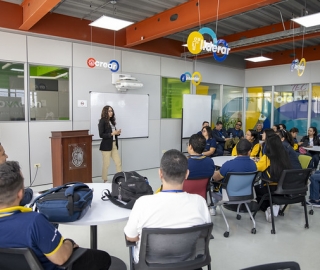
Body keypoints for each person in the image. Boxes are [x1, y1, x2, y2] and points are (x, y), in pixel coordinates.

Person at [0, 161, 111, 270]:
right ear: (20, 194)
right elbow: (61, 258)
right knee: (103, 258)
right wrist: (69, 242)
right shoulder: (34, 222)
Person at [124, 149, 211, 264]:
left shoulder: (142, 203)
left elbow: (131, 237)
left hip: (150, 265)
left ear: (160, 173)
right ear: (187, 174)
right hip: (188, 263)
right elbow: (204, 236)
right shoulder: (200, 202)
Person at [254, 134, 292, 222]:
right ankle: (276, 205)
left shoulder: (267, 157)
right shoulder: (285, 156)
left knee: (254, 189)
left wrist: (257, 161)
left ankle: (268, 208)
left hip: (270, 187)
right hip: (284, 188)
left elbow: (257, 167)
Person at [98, 105, 122, 182]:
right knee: (106, 164)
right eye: (109, 111)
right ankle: (105, 180)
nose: (111, 112)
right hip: (106, 146)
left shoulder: (112, 122)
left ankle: (120, 178)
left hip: (114, 144)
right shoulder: (102, 121)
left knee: (118, 162)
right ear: (105, 112)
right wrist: (112, 133)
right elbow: (101, 135)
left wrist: (117, 133)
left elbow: (113, 133)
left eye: (111, 111)